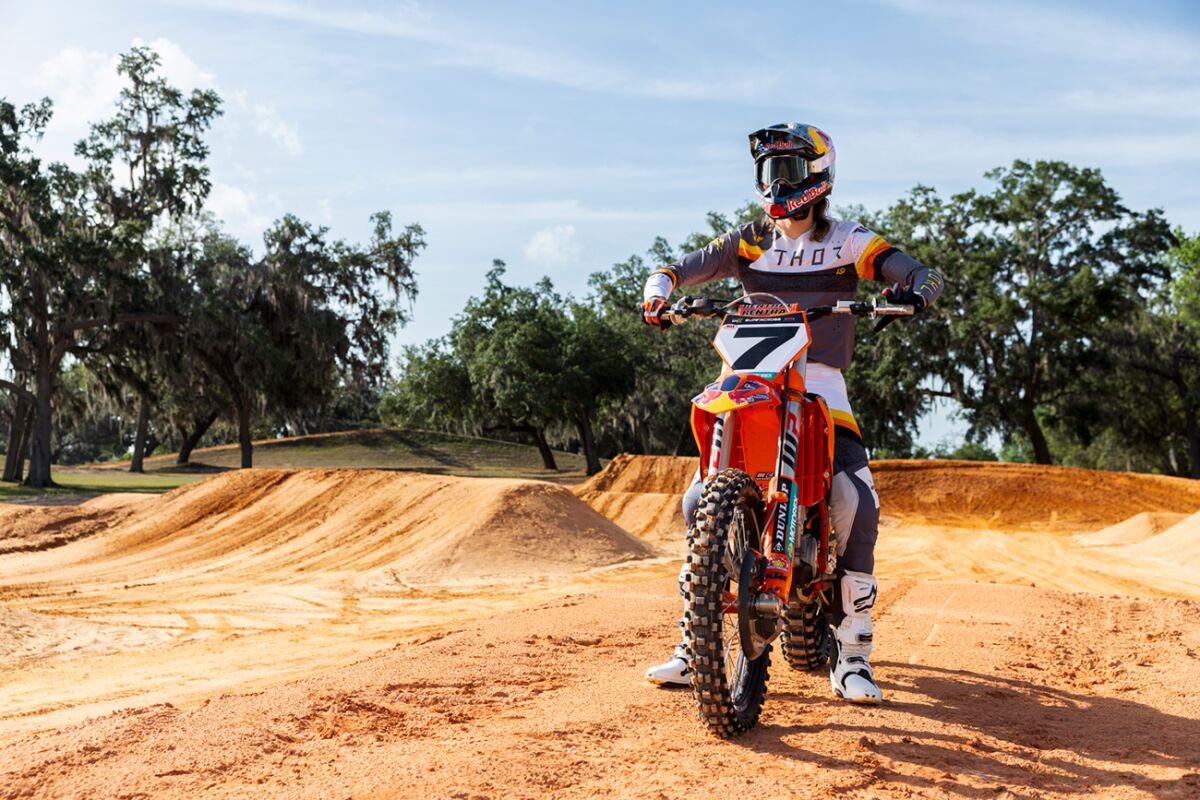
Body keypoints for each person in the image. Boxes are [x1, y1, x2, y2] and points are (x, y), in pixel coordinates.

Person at [639, 123, 943, 704]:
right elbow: (672, 270)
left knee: (855, 500)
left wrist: (915, 290)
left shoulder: (849, 240)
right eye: (769, 170)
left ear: (818, 176)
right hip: (749, 374)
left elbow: (918, 272)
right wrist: (658, 296)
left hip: (819, 379)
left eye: (790, 169)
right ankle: (694, 643)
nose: (777, 182)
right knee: (697, 497)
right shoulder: (748, 241)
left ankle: (853, 652)